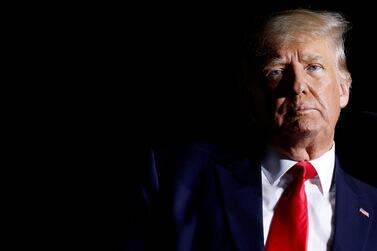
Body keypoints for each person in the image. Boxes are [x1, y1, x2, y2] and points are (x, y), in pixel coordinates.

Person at [130, 9, 377, 251]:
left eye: (313, 67)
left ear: (343, 89)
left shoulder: (373, 208)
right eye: (276, 71)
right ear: (253, 99)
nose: (298, 85)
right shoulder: (175, 177)